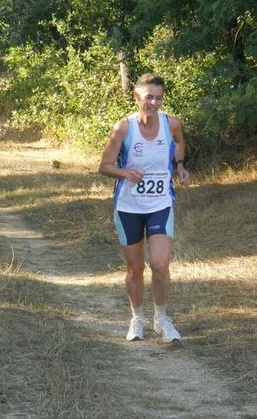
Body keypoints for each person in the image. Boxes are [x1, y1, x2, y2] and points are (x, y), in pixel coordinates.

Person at [99, 73, 190, 343]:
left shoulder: (171, 123)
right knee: (135, 268)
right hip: (128, 206)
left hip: (160, 203)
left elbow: (179, 142)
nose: (153, 102)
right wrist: (125, 173)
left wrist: (181, 167)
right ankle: (137, 319)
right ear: (136, 97)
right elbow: (103, 166)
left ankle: (161, 319)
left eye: (158, 98)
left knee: (160, 264)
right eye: (148, 97)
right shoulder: (123, 129)